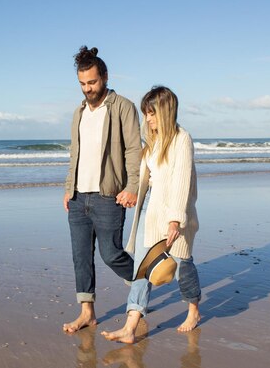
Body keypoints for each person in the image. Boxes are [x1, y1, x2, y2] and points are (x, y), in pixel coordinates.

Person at [101, 86, 202, 343]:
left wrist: (175, 219)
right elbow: (145, 178)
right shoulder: (152, 143)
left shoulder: (182, 139)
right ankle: (130, 327)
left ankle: (193, 310)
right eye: (146, 113)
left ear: (165, 111)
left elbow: (182, 181)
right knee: (142, 269)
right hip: (152, 210)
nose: (147, 118)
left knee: (182, 266)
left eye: (151, 113)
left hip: (175, 213)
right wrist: (130, 192)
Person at [63, 46, 142, 333]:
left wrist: (133, 185)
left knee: (111, 254)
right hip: (78, 197)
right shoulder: (78, 112)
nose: (88, 89)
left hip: (108, 195)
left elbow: (134, 149)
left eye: (92, 82)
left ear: (105, 77)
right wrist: (68, 188)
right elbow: (76, 154)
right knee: (80, 256)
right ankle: (87, 313)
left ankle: (141, 282)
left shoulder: (123, 107)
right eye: (83, 84)